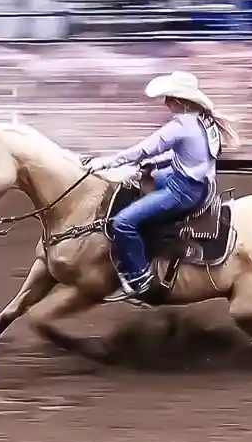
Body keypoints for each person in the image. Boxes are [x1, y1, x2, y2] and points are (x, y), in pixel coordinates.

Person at [85, 71, 240, 301]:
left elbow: (144, 149)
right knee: (144, 179)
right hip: (199, 183)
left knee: (123, 223)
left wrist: (107, 162)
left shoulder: (180, 126)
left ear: (179, 100)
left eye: (168, 97)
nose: (165, 102)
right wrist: (153, 165)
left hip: (184, 190)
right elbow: (188, 156)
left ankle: (141, 278)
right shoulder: (202, 120)